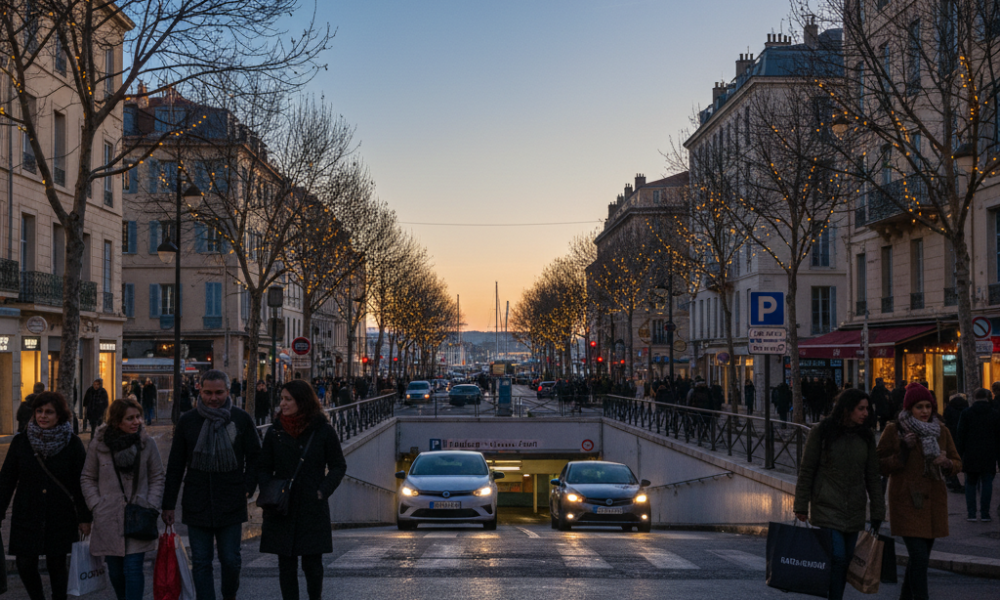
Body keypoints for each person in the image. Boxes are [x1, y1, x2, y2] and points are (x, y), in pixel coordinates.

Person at [161, 370, 261, 600]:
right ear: (200, 390)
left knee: (231, 560)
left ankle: (229, 596)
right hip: (197, 501)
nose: (213, 398)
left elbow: (256, 456)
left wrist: (247, 486)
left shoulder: (241, 419)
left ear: (228, 391)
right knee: (201, 561)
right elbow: (175, 465)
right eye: (208, 392)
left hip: (231, 499)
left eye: (218, 393)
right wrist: (168, 505)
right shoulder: (188, 421)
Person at [793, 389, 885, 600]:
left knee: (846, 560)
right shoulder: (822, 431)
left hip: (854, 508)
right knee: (838, 557)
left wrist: (878, 511)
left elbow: (872, 475)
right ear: (847, 409)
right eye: (860, 409)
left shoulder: (866, 436)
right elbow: (807, 470)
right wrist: (801, 505)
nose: (865, 413)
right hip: (827, 505)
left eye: (867, 409)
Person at [259, 380, 347, 600]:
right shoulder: (275, 431)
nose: (282, 403)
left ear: (303, 401)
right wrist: (268, 490)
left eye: (288, 399)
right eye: (281, 399)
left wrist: (322, 491)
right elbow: (263, 467)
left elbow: (338, 465)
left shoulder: (323, 430)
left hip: (311, 504)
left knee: (312, 563)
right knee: (285, 564)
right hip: (282, 505)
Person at [0, 392, 92, 600]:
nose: (43, 416)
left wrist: (85, 517)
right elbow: (6, 480)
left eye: (49, 412)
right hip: (27, 513)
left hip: (59, 515)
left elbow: (81, 483)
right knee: (24, 562)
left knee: (57, 564)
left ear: (59, 415)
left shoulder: (73, 443)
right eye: (39, 411)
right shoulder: (21, 442)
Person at [876, 382, 962, 600]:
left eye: (928, 406)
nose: (924, 411)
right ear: (909, 408)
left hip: (933, 503)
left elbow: (957, 461)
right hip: (907, 502)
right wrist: (903, 450)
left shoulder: (941, 430)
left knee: (919, 560)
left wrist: (947, 463)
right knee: (919, 557)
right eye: (919, 407)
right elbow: (879, 464)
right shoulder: (894, 430)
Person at [81, 398, 165, 600]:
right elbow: (88, 477)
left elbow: (157, 476)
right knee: (116, 571)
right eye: (130, 418)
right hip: (108, 516)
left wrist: (151, 504)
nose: (137, 422)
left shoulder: (147, 444)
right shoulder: (99, 445)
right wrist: (96, 505)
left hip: (139, 514)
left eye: (138, 417)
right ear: (117, 421)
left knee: (133, 568)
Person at [955, 388, 1000, 522]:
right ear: (987, 397)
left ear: (974, 397)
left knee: (970, 483)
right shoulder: (994, 414)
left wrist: (959, 454)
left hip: (971, 452)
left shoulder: (966, 413)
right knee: (987, 482)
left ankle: (972, 513)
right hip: (989, 453)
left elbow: (960, 435)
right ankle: (985, 513)